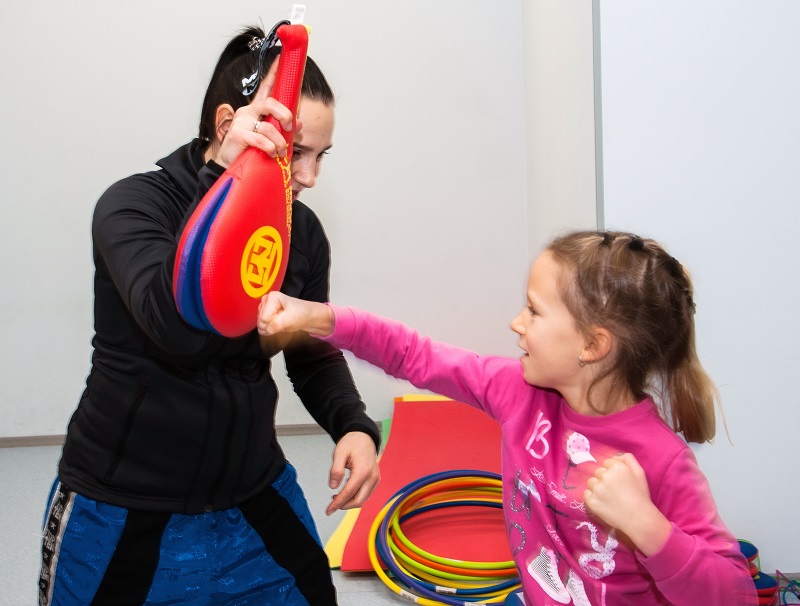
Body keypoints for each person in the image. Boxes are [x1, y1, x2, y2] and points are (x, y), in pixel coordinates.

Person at [39, 23, 381, 606]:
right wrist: (223, 182)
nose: (309, 177)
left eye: (320, 156)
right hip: (121, 508)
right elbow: (175, 328)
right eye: (296, 152)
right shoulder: (133, 206)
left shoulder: (301, 232)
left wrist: (352, 423)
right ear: (229, 126)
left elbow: (307, 350)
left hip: (252, 496)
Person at [256, 230, 757, 605]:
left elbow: (734, 593)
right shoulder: (520, 393)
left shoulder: (662, 460)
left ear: (592, 345)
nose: (517, 323)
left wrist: (648, 527)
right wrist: (316, 316)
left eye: (534, 312)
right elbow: (415, 354)